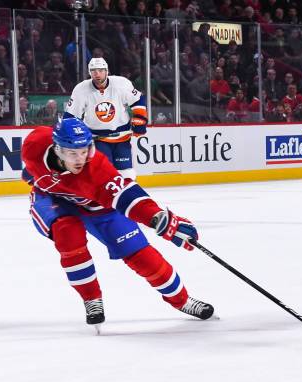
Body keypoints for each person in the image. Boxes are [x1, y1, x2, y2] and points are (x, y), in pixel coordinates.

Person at [21, 117, 213, 331]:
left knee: (141, 255)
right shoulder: (34, 143)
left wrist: (160, 219)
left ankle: (182, 300)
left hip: (97, 207)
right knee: (68, 233)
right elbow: (31, 168)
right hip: (53, 201)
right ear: (58, 149)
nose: (80, 159)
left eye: (84, 151)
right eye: (72, 153)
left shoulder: (97, 170)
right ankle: (91, 299)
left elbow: (127, 195)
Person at [64, 57, 147, 180]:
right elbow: (70, 116)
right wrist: (70, 134)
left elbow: (138, 100)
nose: (97, 74)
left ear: (107, 71)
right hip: (97, 139)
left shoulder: (121, 83)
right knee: (104, 175)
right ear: (89, 73)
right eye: (93, 71)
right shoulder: (81, 89)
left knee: (127, 175)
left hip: (122, 138)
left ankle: (125, 198)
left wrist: (140, 119)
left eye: (100, 70)